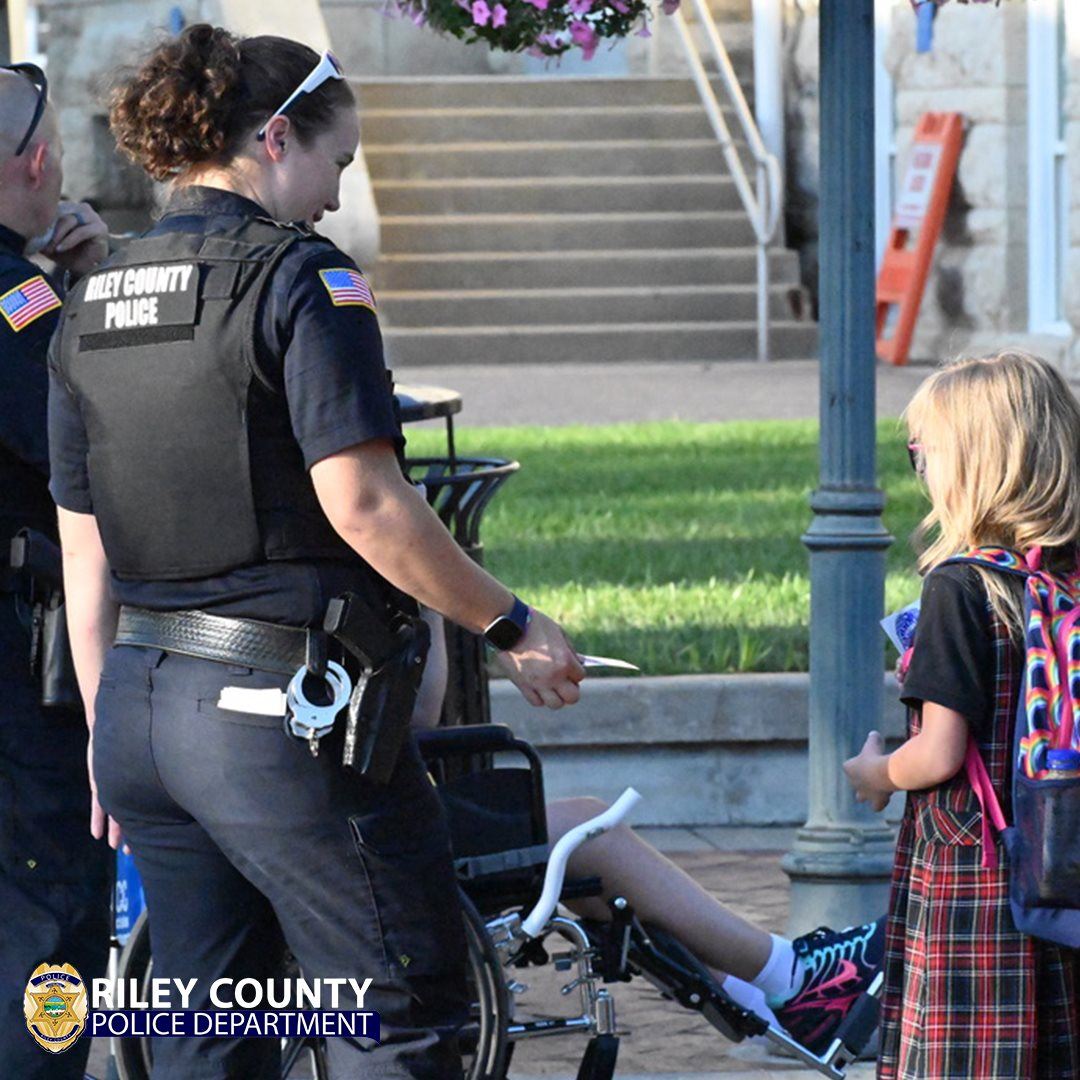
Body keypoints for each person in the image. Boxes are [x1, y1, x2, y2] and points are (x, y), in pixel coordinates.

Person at [48, 25, 583, 1079]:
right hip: (278, 717)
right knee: (396, 1006)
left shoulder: (91, 300)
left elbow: (87, 553)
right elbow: (368, 505)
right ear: (279, 137)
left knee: (211, 1022)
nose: (336, 196)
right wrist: (510, 625)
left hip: (145, 718)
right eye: (337, 164)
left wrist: (111, 726)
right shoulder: (302, 279)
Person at [416, 609, 885, 1054]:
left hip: (361, 840)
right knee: (586, 830)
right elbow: (419, 716)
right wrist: (448, 610)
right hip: (373, 846)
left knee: (593, 858)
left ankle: (771, 1001)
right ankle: (794, 977)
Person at [843, 351, 1080, 1078]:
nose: (921, 468)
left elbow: (941, 753)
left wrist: (877, 771)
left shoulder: (960, 588)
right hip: (1060, 855)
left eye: (925, 451)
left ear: (976, 462)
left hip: (972, 875)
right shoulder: (1065, 578)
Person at [0, 63, 112, 1078]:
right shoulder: (18, 300)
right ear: (37, 163)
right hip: (17, 670)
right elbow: (81, 449)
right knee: (51, 916)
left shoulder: (25, 282)